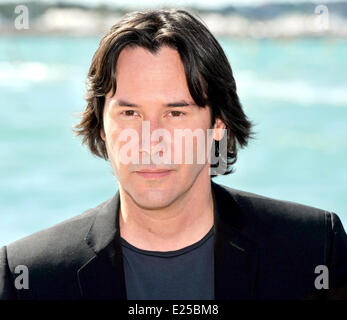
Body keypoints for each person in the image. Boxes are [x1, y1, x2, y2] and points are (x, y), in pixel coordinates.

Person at [1, 9, 346, 301]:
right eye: (130, 114)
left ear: (218, 126)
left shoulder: (314, 249)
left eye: (175, 113)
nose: (150, 141)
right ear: (103, 127)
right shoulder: (29, 275)